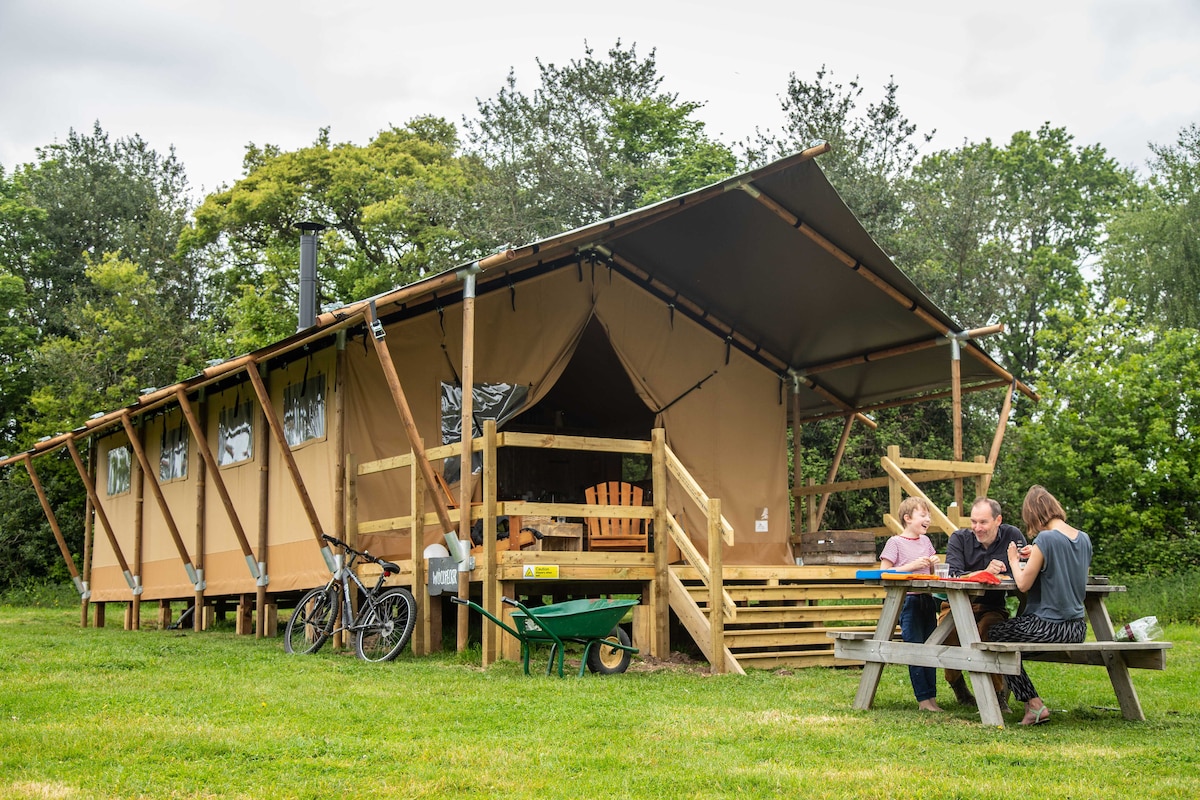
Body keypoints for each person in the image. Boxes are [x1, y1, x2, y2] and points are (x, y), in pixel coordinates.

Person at [987, 485, 1093, 725]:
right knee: (1007, 640)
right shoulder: (1083, 538)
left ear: (1034, 514)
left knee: (995, 635)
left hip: (1049, 626)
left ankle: (1033, 704)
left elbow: (1023, 584)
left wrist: (1014, 560)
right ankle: (1022, 702)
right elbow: (1071, 574)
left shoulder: (1046, 538)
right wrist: (1036, 554)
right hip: (1076, 628)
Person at [941, 497, 1027, 708]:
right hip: (956, 604)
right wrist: (984, 573)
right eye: (973, 522)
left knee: (990, 631)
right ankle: (959, 687)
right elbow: (952, 575)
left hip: (993, 606)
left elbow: (1026, 568)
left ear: (998, 520)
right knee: (949, 632)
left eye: (983, 522)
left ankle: (997, 696)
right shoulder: (959, 538)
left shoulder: (1012, 535)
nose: (977, 528)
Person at [879, 496, 942, 712]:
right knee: (915, 648)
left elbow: (930, 574)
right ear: (907, 518)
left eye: (929, 515)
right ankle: (923, 700)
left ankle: (932, 698)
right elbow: (883, 572)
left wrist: (933, 565)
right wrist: (911, 566)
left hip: (927, 599)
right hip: (908, 601)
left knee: (931, 647)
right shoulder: (895, 543)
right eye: (923, 515)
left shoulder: (926, 542)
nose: (928, 519)